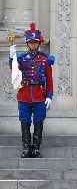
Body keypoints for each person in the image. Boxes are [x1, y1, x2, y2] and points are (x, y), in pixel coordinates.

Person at [9, 22, 54, 158]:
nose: (33, 44)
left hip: (39, 95)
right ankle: (26, 148)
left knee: (39, 120)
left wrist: (49, 96)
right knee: (25, 121)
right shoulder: (21, 58)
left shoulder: (45, 59)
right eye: (31, 42)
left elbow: (49, 79)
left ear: (39, 43)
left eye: (35, 42)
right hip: (24, 94)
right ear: (28, 43)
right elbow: (14, 71)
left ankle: (36, 148)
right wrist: (12, 57)